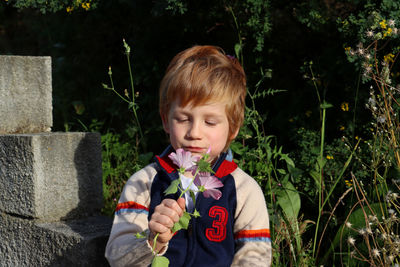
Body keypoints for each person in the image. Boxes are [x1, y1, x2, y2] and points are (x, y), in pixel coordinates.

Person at [105, 45, 271, 266]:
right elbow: (116, 257)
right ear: (165, 120)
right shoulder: (143, 184)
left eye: (210, 122)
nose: (194, 133)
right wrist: (153, 241)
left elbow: (256, 257)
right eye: (183, 119)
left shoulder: (244, 190)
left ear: (233, 128)